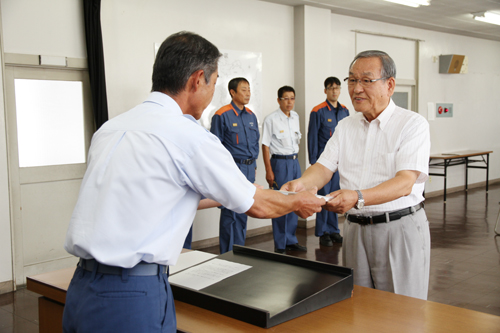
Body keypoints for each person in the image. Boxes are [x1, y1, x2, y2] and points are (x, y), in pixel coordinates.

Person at [62, 31, 325, 333]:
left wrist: (267, 192)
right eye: (214, 83)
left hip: (83, 286)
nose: (214, 91)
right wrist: (297, 201)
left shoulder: (112, 127)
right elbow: (258, 207)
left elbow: (163, 194)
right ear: (197, 80)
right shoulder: (188, 136)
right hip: (132, 292)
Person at [283, 50, 431, 300]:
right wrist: (300, 184)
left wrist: (358, 196)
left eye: (366, 80)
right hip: (355, 229)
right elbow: (323, 168)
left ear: (390, 85)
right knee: (359, 306)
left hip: (398, 228)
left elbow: (405, 182)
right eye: (351, 80)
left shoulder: (412, 125)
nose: (356, 88)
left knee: (403, 311)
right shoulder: (346, 126)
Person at [210, 77, 259, 254]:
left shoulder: (251, 116)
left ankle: (239, 253)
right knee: (230, 214)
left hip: (248, 169)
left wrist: (253, 166)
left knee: (244, 211)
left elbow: (255, 143)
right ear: (232, 92)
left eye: (249, 90)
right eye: (243, 90)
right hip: (232, 170)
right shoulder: (221, 115)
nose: (248, 93)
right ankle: (227, 256)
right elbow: (215, 149)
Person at [261, 86, 306, 254]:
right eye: (286, 98)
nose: (289, 102)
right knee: (280, 202)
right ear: (278, 100)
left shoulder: (295, 117)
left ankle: (291, 239)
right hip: (279, 164)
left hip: (294, 162)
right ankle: (280, 243)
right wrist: (269, 170)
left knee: (294, 201)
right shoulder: (271, 119)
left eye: (292, 98)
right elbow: (265, 146)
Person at [308, 77, 349, 247]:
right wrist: (314, 163)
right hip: (324, 164)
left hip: (340, 164)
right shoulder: (318, 111)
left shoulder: (345, 111)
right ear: (325, 91)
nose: (334, 91)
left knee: (335, 197)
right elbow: (312, 138)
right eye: (331, 88)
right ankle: (323, 232)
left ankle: (334, 230)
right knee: (323, 197)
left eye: (337, 88)